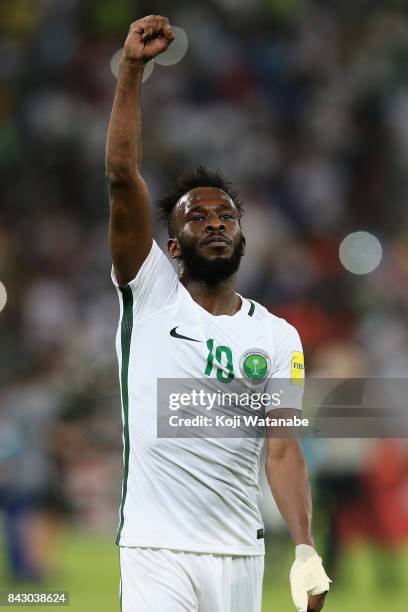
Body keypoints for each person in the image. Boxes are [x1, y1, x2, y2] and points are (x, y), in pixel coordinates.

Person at [105, 15, 330, 612]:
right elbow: (121, 177)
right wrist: (132, 71)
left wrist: (306, 550)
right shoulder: (150, 295)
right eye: (196, 217)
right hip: (157, 552)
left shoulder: (278, 336)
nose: (214, 223)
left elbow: (282, 449)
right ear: (171, 246)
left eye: (226, 216)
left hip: (240, 557)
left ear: (242, 239)